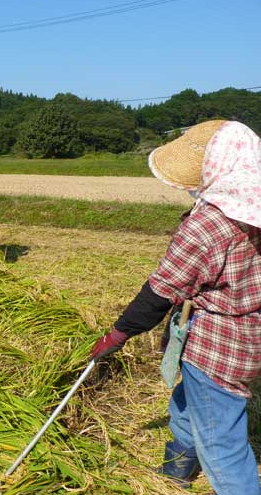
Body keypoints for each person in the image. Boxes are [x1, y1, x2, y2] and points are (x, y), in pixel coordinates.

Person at [91, 120, 261, 494]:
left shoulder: (208, 225)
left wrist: (119, 333)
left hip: (218, 348)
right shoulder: (256, 210)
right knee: (188, 401)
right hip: (251, 337)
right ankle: (177, 470)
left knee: (222, 445)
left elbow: (160, 291)